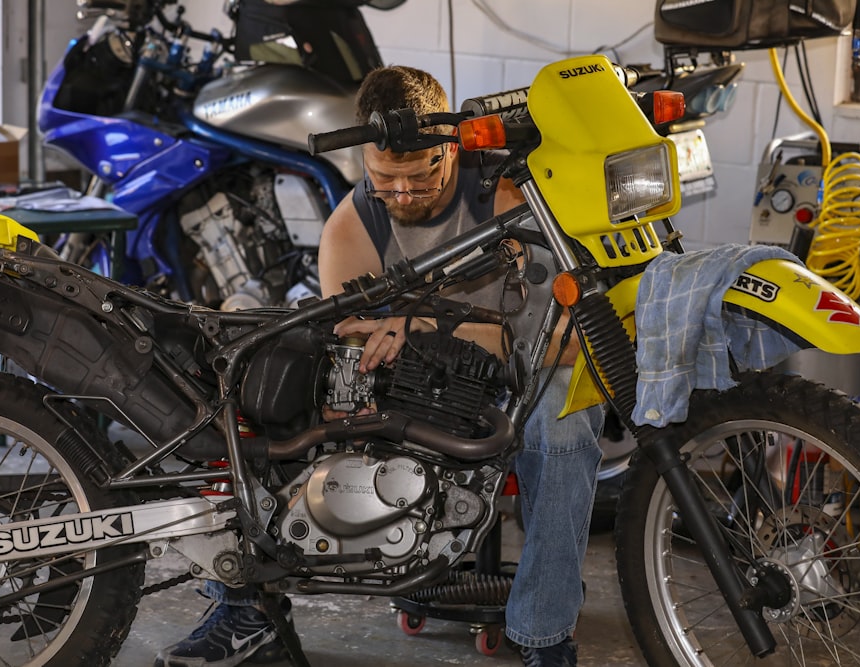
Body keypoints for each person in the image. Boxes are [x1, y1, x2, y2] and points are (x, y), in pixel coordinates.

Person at [156, 65, 604, 667]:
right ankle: (245, 607)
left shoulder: (505, 194)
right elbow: (351, 346)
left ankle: (546, 635)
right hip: (421, 392)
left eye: (421, 177)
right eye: (384, 178)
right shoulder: (352, 228)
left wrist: (420, 325)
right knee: (263, 397)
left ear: (450, 147)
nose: (402, 195)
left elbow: (552, 342)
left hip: (521, 381)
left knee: (564, 422)